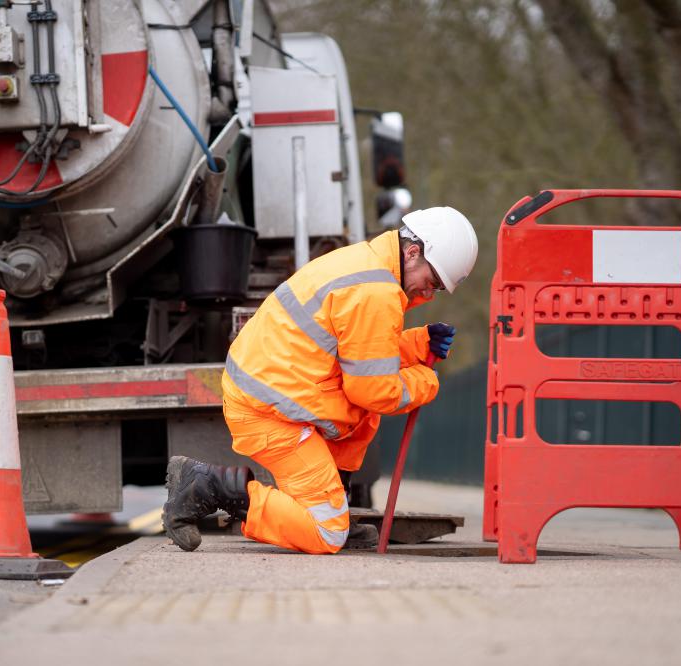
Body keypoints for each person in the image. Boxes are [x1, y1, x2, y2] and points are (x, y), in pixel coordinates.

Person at [163, 206, 479, 553]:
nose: (429, 294)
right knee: (327, 532)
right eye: (432, 282)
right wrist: (426, 382)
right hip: (269, 411)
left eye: (437, 289)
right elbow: (374, 390)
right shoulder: (375, 292)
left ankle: (334, 502)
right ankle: (209, 486)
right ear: (413, 252)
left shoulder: (367, 265)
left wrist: (419, 344)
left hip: (272, 393)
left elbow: (361, 353)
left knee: (361, 418)